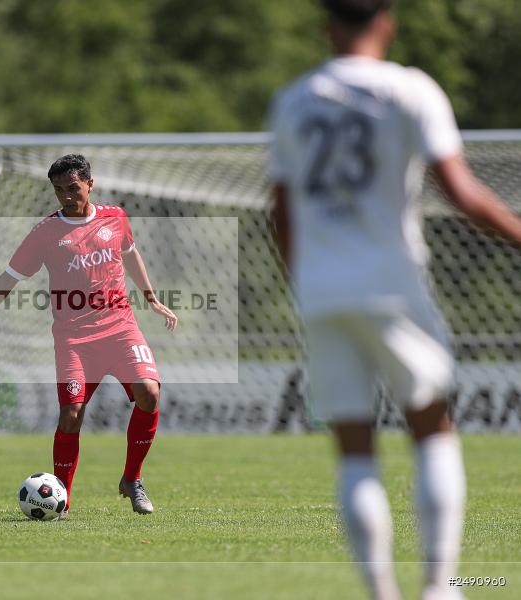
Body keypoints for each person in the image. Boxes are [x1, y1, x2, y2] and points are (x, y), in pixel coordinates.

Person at [269, 2, 521, 599]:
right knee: (432, 427)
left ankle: (382, 594)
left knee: (354, 446)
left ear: (327, 25)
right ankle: (438, 588)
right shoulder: (410, 89)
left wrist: (304, 280)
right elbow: (459, 190)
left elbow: (280, 211)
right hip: (390, 281)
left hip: (324, 289)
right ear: (387, 20)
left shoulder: (293, 99)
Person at [0, 154, 177, 518]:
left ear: (90, 184)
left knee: (149, 392)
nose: (66, 196)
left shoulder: (115, 218)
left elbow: (131, 255)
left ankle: (132, 479)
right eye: (58, 190)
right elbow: (9, 278)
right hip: (74, 340)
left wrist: (151, 298)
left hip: (121, 329)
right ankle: (62, 503)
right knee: (71, 415)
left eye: (72, 188)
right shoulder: (45, 232)